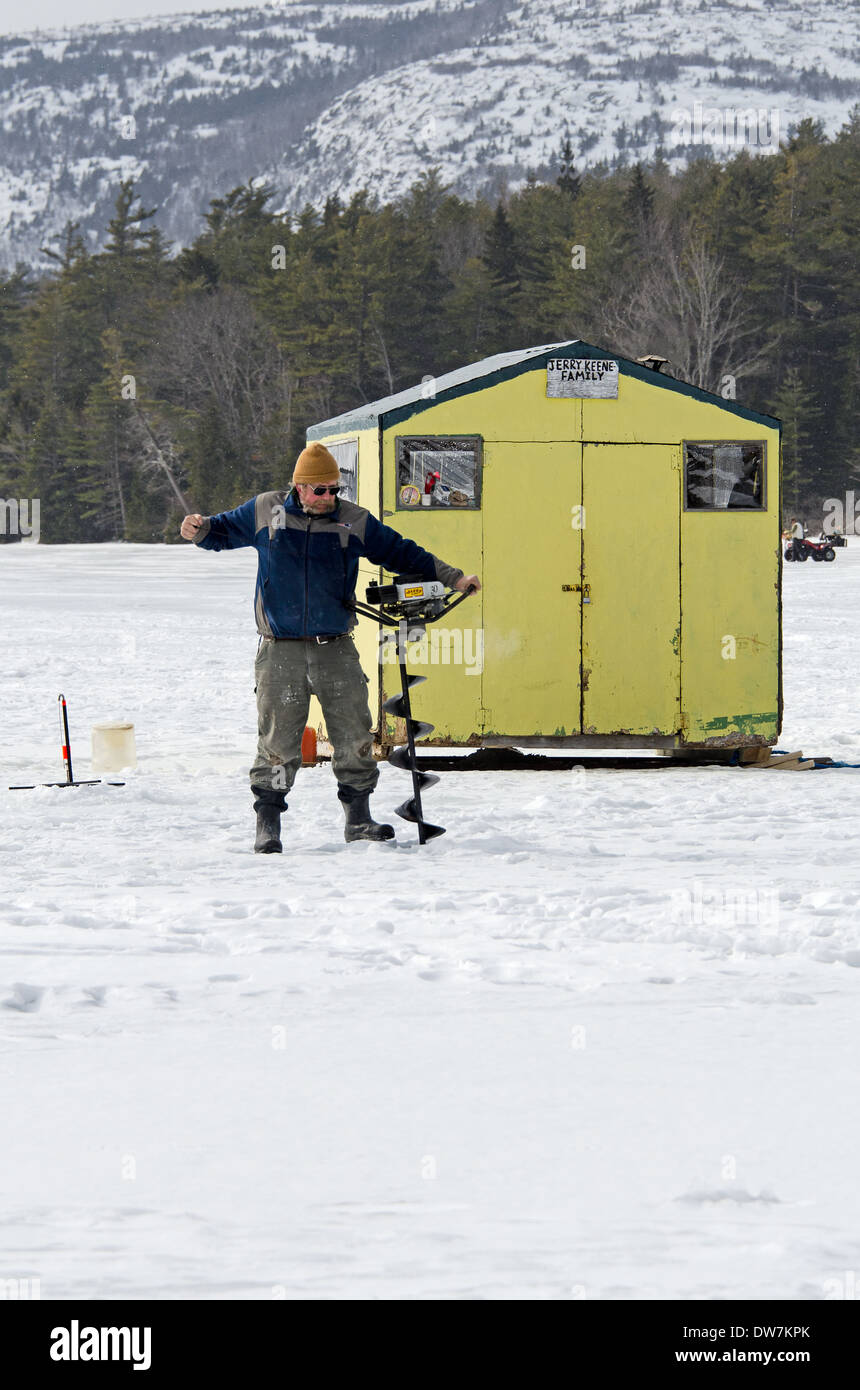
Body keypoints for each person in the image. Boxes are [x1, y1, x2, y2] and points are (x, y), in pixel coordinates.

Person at [180, 442, 481, 853]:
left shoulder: (352, 520)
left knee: (355, 733)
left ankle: (358, 820)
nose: (328, 498)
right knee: (278, 741)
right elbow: (217, 532)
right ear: (299, 487)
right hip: (279, 650)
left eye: (334, 490)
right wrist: (197, 530)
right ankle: (268, 824)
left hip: (335, 647)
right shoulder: (266, 510)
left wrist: (455, 578)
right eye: (319, 490)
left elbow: (402, 553)